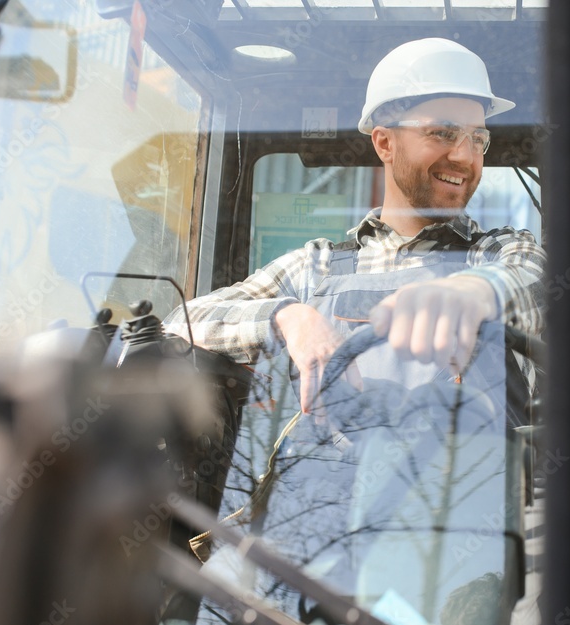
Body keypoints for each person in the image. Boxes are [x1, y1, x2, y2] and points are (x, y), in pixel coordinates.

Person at [164, 38, 546, 414]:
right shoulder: (315, 270)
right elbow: (180, 323)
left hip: (475, 476)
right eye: (443, 133)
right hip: (328, 477)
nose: (465, 155)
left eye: (478, 138)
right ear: (384, 143)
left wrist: (469, 293)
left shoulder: (497, 254)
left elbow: (530, 284)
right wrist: (287, 319)